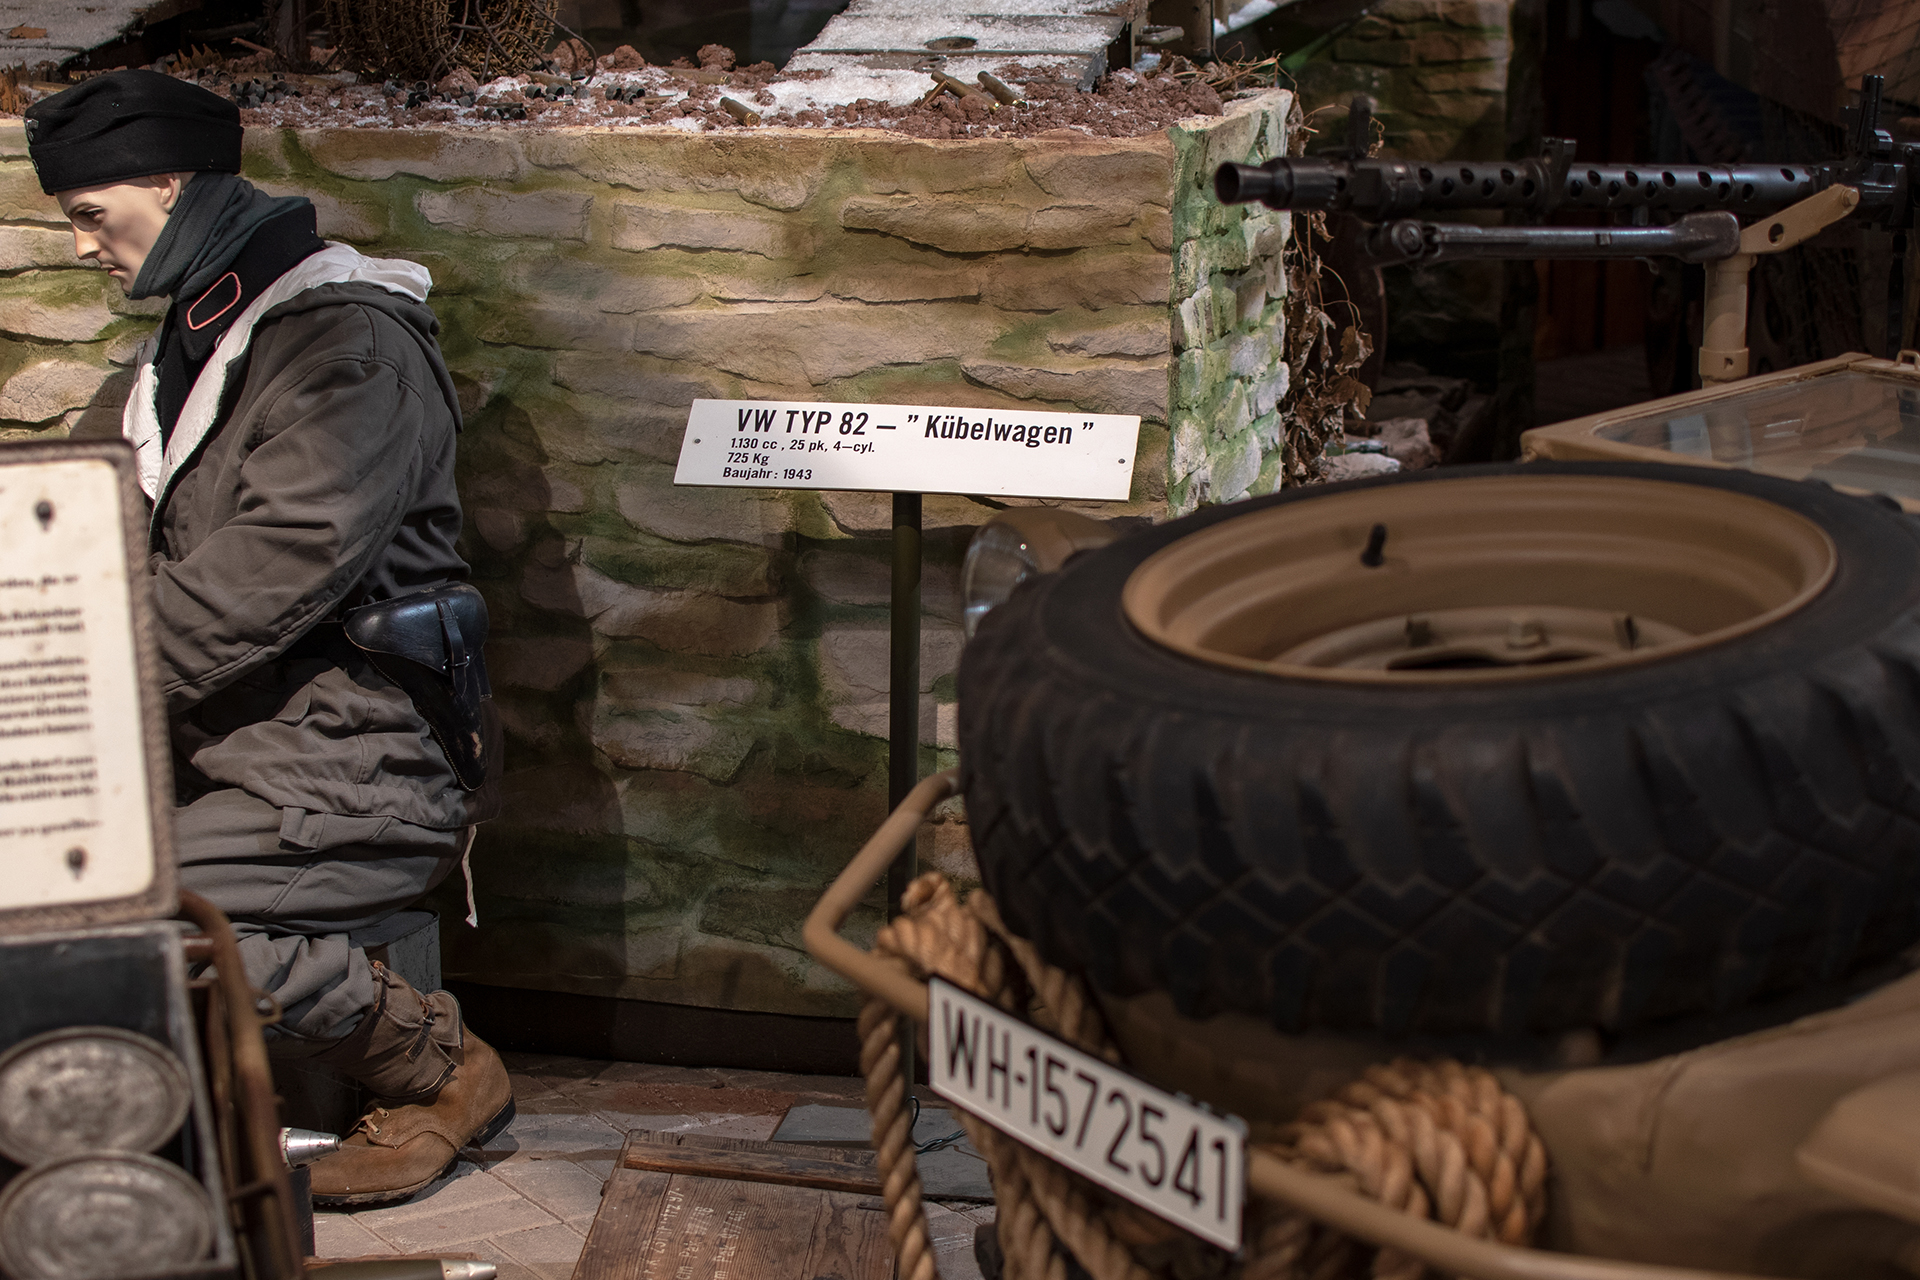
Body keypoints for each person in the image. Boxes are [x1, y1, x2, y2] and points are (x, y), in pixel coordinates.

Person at [24, 69, 510, 1205]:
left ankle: (438, 1066)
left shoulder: (348, 350)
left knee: (120, 911)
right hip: (227, 744)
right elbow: (102, 543)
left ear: (170, 184)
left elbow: (260, 581)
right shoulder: (188, 350)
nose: (87, 247)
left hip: (354, 758)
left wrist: (75, 691)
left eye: (95, 215)